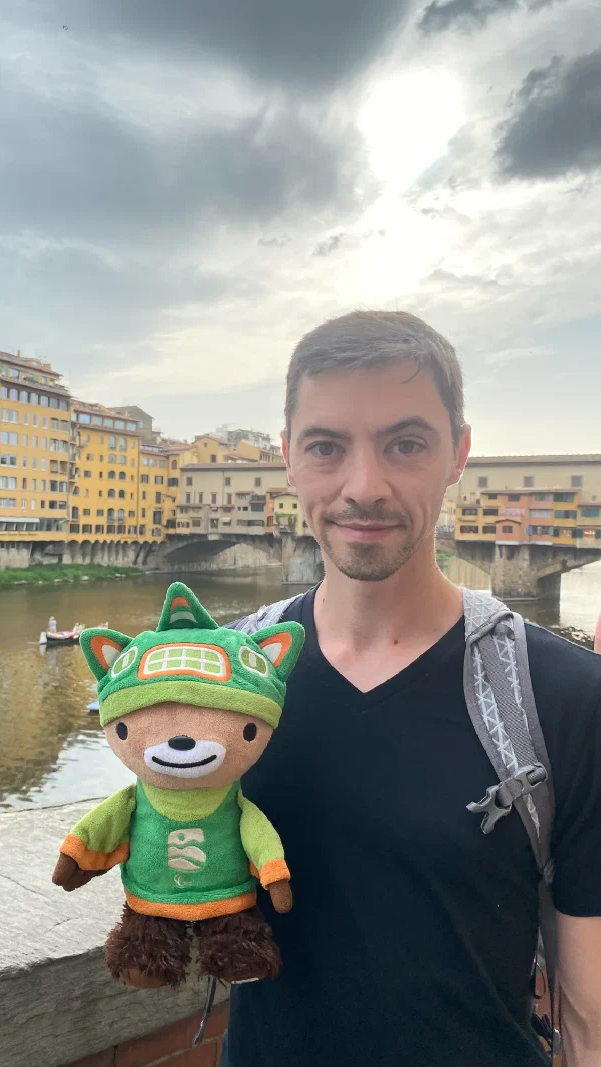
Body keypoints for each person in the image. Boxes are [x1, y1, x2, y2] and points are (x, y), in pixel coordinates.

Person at [220, 311, 601, 1067]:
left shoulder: (563, 694)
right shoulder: (229, 678)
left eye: (405, 444)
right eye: (326, 447)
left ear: (458, 453)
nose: (365, 487)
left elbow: (589, 1017)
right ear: (288, 458)